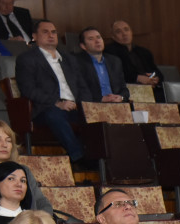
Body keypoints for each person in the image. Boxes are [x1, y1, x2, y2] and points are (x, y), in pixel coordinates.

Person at [15, 20, 92, 167]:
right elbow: (28, 89)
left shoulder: (69, 59)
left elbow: (83, 87)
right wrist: (57, 103)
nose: (51, 35)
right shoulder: (27, 59)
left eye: (54, 32)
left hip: (75, 106)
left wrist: (85, 105)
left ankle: (100, 158)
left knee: (96, 117)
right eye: (45, 32)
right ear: (34, 36)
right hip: (47, 108)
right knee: (54, 115)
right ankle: (79, 158)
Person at [75, 27, 128, 103]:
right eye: (91, 39)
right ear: (83, 46)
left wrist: (121, 97)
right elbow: (78, 91)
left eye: (98, 37)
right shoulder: (77, 62)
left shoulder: (114, 61)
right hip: (93, 105)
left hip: (116, 104)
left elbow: (124, 88)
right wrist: (100, 99)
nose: (97, 41)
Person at [104, 20, 161, 87]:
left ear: (131, 32)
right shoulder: (109, 52)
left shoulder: (144, 52)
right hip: (127, 90)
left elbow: (157, 72)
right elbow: (114, 75)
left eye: (126, 29)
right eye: (118, 32)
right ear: (113, 36)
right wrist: (137, 78)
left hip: (151, 88)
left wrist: (155, 77)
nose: (124, 34)